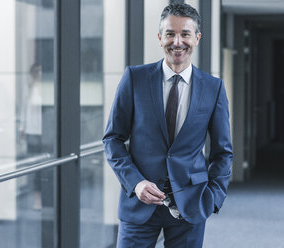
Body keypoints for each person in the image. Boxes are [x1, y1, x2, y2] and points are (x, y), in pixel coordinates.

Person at [102, 3, 233, 248]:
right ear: (160, 37)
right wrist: (135, 182)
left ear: (197, 38)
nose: (177, 42)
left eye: (185, 34)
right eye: (170, 34)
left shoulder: (213, 88)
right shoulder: (135, 79)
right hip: (139, 203)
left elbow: (222, 152)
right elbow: (113, 139)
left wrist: (214, 197)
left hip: (191, 204)